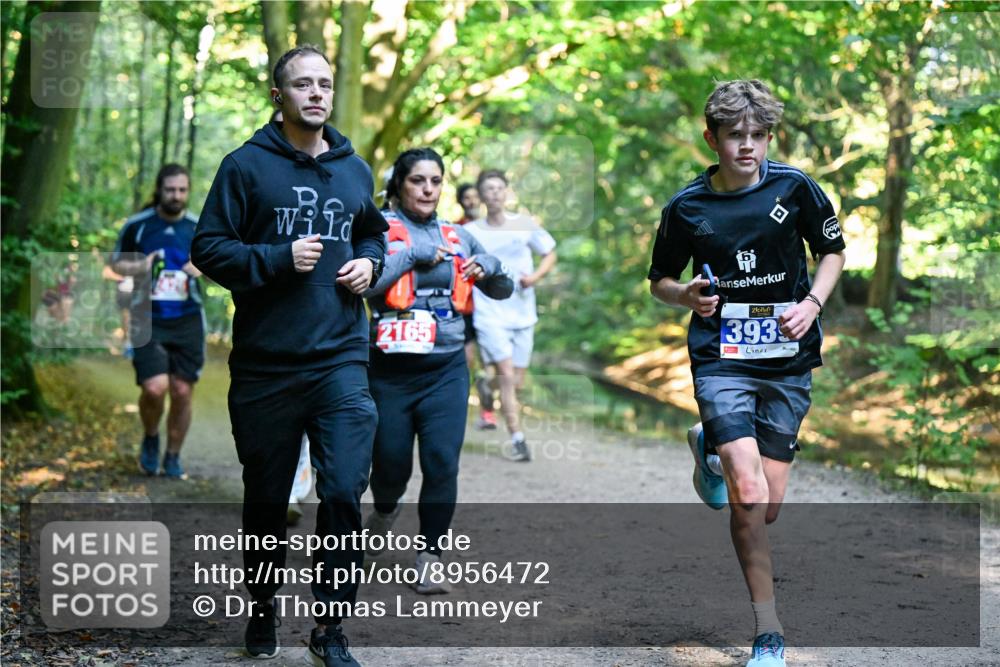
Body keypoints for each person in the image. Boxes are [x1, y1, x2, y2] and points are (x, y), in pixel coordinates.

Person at [191, 45, 387, 666]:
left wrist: (371, 262)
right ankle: (263, 603)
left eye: (324, 84)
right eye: (302, 84)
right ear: (278, 96)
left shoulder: (354, 169)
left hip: (341, 359)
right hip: (266, 365)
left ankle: (330, 631)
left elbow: (373, 229)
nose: (316, 94)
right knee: (267, 502)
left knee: (343, 493)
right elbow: (209, 248)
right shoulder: (245, 167)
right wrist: (274, 260)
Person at [648, 79, 846, 667]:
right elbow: (659, 279)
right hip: (722, 355)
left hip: (787, 357)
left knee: (771, 505)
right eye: (735, 136)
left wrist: (811, 303)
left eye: (759, 136)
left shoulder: (797, 188)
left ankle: (709, 446)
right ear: (711, 138)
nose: (748, 147)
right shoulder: (686, 207)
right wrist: (686, 294)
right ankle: (768, 629)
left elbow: (833, 251)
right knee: (749, 495)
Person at [362, 148, 513, 592]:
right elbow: (364, 284)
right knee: (389, 467)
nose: (428, 189)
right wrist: (411, 256)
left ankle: (430, 554)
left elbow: (501, 289)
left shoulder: (458, 236)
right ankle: (386, 509)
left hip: (445, 369)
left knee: (442, 462)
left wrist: (490, 266)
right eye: (417, 181)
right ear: (399, 185)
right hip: (388, 371)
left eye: (435, 181)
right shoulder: (378, 230)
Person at [112, 164, 204, 479]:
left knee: (181, 391)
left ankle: (173, 456)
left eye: (182, 190)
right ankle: (151, 437)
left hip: (188, 318)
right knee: (154, 388)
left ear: (187, 192)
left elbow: (222, 263)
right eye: (170, 190)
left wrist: (202, 267)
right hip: (146, 318)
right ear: (159, 190)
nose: (176, 196)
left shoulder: (198, 227)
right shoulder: (138, 226)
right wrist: (141, 265)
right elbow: (115, 265)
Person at [464, 170, 557, 461]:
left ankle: (484, 385)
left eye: (499, 188)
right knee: (506, 377)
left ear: (506, 192)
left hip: (522, 312)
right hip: (489, 312)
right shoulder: (471, 232)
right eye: (488, 189)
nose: (494, 193)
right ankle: (518, 439)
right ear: (481, 195)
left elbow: (550, 252)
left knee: (515, 381)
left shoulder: (523, 225)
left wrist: (535, 277)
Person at [453, 182, 494, 427]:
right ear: (460, 201)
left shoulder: (494, 228)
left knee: (491, 364)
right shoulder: (456, 229)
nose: (470, 201)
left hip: (492, 308)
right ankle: (462, 407)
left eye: (474, 197)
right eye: (465, 197)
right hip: (466, 306)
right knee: (468, 361)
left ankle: (488, 409)